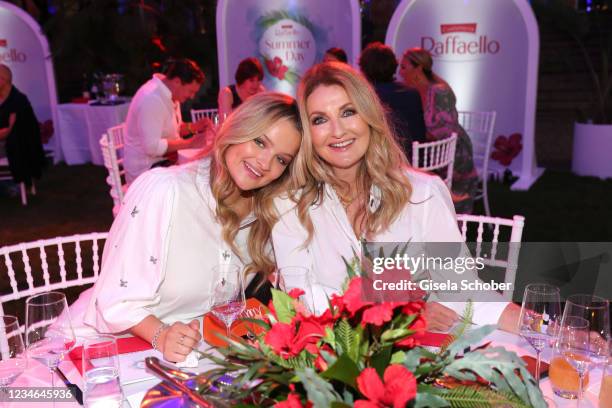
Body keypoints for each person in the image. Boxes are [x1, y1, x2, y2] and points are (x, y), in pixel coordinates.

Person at [271, 62, 519, 332]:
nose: (338, 131)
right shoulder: (292, 204)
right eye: (320, 119)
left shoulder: (422, 195)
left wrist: (540, 326)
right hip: (329, 358)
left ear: (369, 116)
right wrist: (406, 309)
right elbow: (300, 297)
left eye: (348, 112)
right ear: (308, 134)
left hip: (414, 360)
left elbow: (462, 290)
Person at [82, 92, 302, 363]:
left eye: (282, 159)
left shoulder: (265, 217)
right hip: (110, 355)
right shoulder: (165, 192)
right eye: (259, 142)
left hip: (197, 357)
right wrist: (160, 334)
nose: (265, 163)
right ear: (236, 129)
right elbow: (115, 300)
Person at [399, 48, 478, 214]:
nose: (400, 72)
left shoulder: (438, 90)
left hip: (452, 154)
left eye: (404, 67)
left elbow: (445, 130)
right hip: (431, 152)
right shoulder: (413, 92)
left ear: (418, 68)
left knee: (408, 171)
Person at [124, 58, 211, 184]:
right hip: (145, 172)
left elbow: (174, 129)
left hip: (163, 162)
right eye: (191, 91)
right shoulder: (151, 99)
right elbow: (152, 147)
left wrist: (195, 127)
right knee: (197, 179)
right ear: (177, 81)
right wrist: (190, 143)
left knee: (203, 171)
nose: (192, 97)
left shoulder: (170, 93)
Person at [358, 42, 426, 158]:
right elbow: (419, 134)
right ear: (394, 66)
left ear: (364, 68)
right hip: (415, 160)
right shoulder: (412, 93)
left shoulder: (368, 96)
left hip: (386, 162)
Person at [0, 64, 46, 188]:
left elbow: (7, 132)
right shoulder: (4, 98)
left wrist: (7, 130)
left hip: (15, 146)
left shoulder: (18, 101)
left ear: (3, 80)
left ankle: (9, 186)